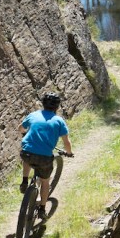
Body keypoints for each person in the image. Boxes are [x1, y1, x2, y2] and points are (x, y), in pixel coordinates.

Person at [19, 92, 73, 220]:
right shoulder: (59, 121)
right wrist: (69, 153)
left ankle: (24, 181)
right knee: (45, 182)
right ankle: (42, 209)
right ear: (57, 107)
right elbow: (66, 142)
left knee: (27, 153)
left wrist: (24, 134)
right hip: (44, 158)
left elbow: (20, 128)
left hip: (27, 153)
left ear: (43, 104)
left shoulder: (33, 115)